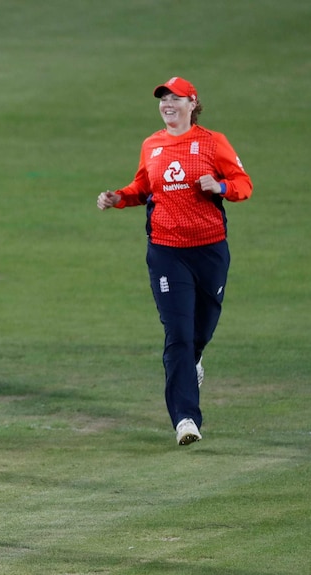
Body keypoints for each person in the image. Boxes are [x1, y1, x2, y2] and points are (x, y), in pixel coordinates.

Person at [96, 76, 253, 446]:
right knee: (178, 334)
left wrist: (222, 187)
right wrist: (118, 197)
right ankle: (185, 419)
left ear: (192, 103)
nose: (167, 104)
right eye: (163, 99)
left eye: (175, 99)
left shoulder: (213, 143)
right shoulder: (151, 145)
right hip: (166, 251)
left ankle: (192, 362)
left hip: (210, 250)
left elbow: (243, 183)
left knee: (202, 329)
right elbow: (142, 188)